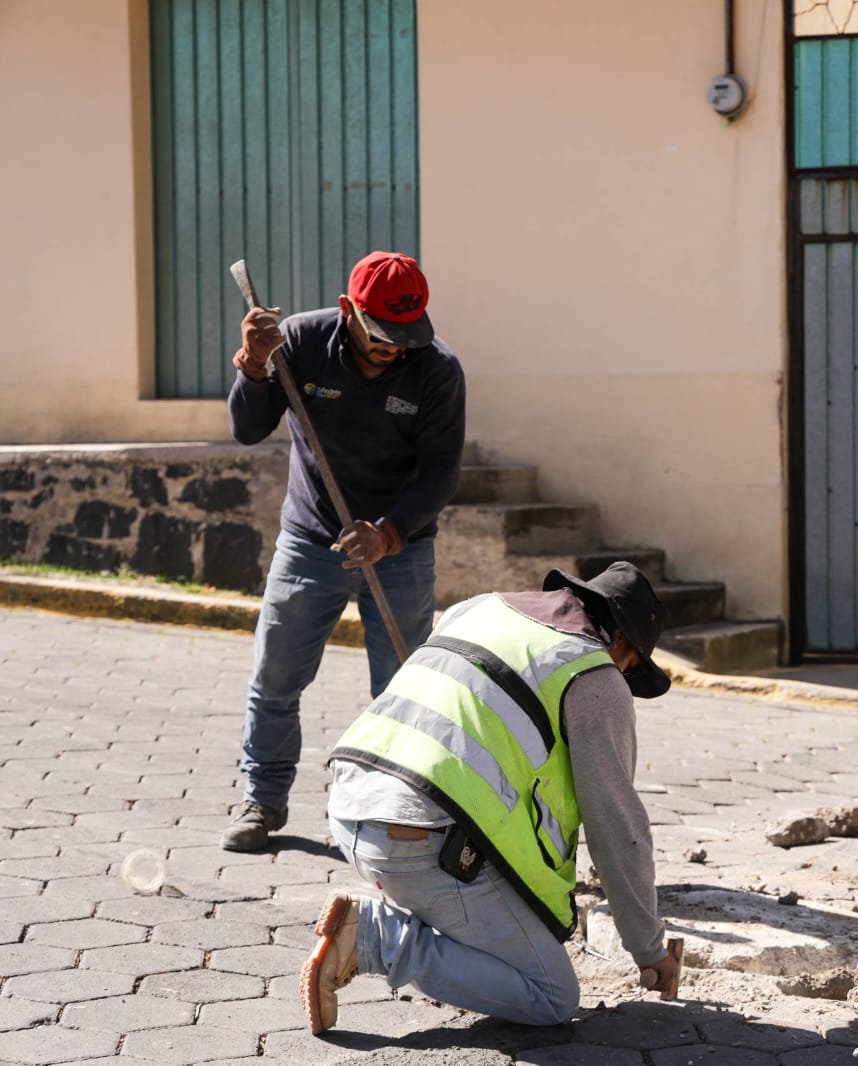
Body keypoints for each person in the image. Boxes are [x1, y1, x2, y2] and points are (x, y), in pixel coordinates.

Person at [301, 562, 679, 1034]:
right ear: (623, 644)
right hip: (420, 844)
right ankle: (378, 939)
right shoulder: (595, 675)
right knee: (553, 994)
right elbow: (617, 828)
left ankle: (416, 912)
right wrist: (650, 949)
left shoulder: (480, 608)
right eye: (630, 668)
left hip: (353, 802)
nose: (623, 677)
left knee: (516, 924)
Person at [222, 251, 466, 852]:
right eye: (382, 335)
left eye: (405, 336)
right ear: (347, 311)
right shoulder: (299, 343)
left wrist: (387, 532)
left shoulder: (436, 372)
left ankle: (398, 812)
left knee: (405, 689)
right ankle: (264, 798)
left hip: (399, 549)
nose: (393, 349)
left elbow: (440, 474)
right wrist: (254, 366)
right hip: (310, 542)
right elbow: (247, 429)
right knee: (276, 676)